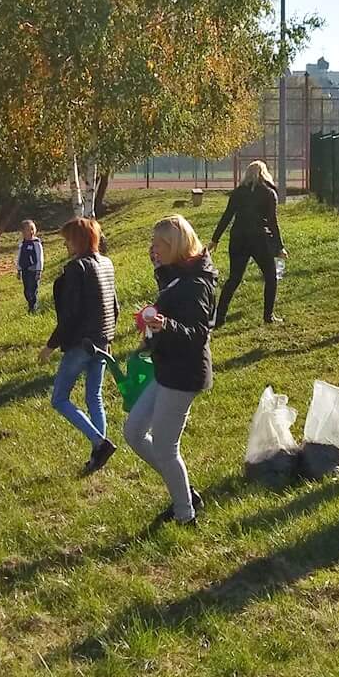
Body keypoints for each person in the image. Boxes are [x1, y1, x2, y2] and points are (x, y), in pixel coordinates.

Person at [126, 215, 218, 526]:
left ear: (175, 245)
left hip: (184, 373)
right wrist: (152, 321)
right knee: (134, 432)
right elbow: (169, 302)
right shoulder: (177, 273)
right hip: (167, 367)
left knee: (166, 446)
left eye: (158, 245)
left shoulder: (196, 284)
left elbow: (197, 334)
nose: (153, 249)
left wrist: (166, 325)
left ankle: (185, 514)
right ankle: (184, 491)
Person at [39, 216, 120, 472]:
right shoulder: (106, 264)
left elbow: (70, 314)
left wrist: (50, 346)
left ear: (78, 240)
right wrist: (109, 338)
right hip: (103, 342)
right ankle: (99, 456)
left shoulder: (77, 269)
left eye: (68, 240)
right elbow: (114, 306)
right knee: (94, 397)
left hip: (81, 344)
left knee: (59, 399)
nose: (66, 246)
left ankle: (99, 442)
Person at [211, 159, 287, 327]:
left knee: (234, 279)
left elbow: (227, 216)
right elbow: (273, 222)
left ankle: (219, 317)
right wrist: (279, 246)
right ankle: (268, 316)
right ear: (264, 173)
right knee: (270, 277)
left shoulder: (238, 192)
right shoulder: (269, 193)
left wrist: (215, 239)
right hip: (259, 239)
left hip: (238, 238)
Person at [17, 220, 45, 315]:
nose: (24, 233)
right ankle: (30, 305)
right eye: (23, 231)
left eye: (27, 230)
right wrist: (19, 269)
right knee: (26, 291)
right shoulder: (22, 244)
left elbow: (40, 257)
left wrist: (39, 270)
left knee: (32, 290)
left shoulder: (36, 244)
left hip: (33, 271)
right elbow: (19, 257)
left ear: (32, 231)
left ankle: (34, 308)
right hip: (25, 270)